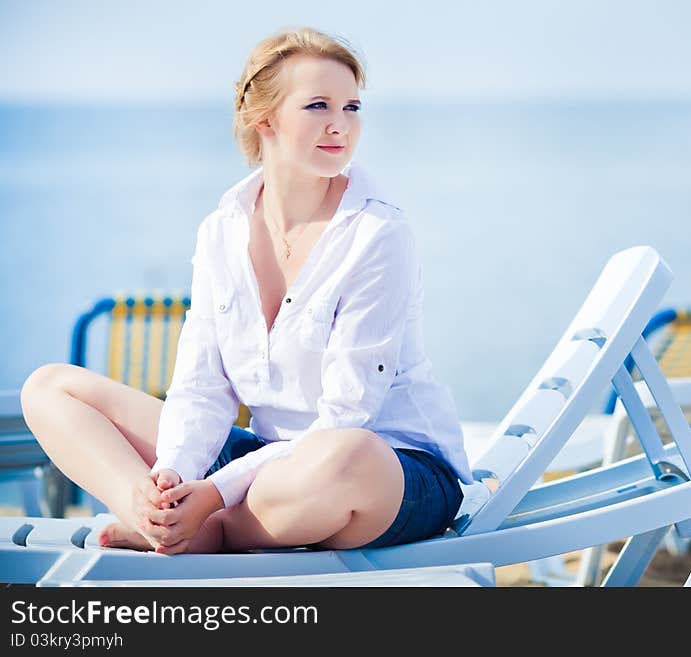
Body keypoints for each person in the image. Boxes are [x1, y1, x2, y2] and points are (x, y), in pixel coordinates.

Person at [20, 27, 473, 555]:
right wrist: (172, 478)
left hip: (385, 474)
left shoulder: (378, 235)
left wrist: (213, 493)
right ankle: (157, 519)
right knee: (51, 388)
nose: (340, 125)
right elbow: (200, 388)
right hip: (265, 471)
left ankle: (213, 533)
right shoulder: (222, 230)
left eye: (352, 107)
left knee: (346, 456)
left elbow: (347, 417)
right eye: (319, 105)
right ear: (265, 119)